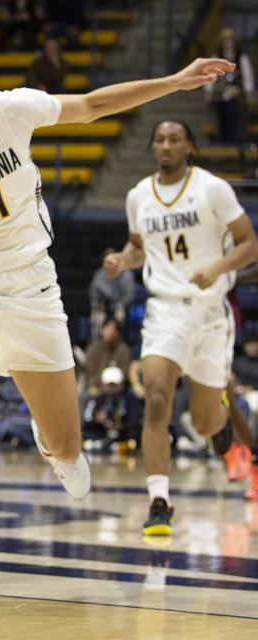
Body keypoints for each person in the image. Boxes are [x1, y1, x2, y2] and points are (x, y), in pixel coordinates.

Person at [0, 31, 235, 604]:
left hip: (34, 290)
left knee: (67, 446)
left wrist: (173, 82)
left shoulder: (11, 110)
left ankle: (53, 441)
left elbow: (91, 106)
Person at [104, 119, 258, 535]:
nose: (166, 145)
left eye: (175, 138)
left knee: (204, 422)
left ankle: (221, 426)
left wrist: (218, 268)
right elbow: (139, 248)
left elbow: (249, 244)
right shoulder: (139, 195)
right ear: (153, 147)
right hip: (165, 310)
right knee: (156, 398)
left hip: (209, 314)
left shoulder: (212, 189)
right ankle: (159, 501)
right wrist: (122, 259)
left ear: (189, 145)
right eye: (160, 139)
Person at [204, 28, 255, 144]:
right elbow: (210, 76)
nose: (228, 43)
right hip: (220, 94)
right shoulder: (216, 57)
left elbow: (247, 78)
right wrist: (209, 92)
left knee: (234, 113)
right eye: (225, 40)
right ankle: (224, 139)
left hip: (236, 94)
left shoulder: (241, 58)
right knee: (222, 115)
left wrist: (249, 94)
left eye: (230, 40)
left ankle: (233, 140)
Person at [89, 247, 136, 336]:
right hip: (103, 307)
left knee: (120, 315)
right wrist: (97, 305)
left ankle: (120, 340)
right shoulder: (99, 275)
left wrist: (118, 305)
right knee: (97, 316)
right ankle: (97, 341)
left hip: (120, 306)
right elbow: (93, 293)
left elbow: (129, 297)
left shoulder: (126, 275)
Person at [83, 318, 131, 398]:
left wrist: (116, 385)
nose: (110, 332)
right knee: (83, 397)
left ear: (117, 333)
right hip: (95, 386)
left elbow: (125, 372)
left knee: (130, 396)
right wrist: (96, 387)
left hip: (117, 388)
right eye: (107, 329)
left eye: (112, 330)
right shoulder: (93, 348)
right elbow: (89, 372)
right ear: (102, 330)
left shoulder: (123, 349)